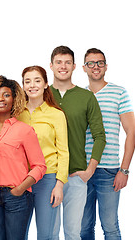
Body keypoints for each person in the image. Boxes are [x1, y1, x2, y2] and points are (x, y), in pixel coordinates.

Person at [0, 75, 47, 240]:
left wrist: (20, 189)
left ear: (14, 99)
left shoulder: (24, 130)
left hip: (17, 196)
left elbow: (40, 166)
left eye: (6, 95)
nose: (1, 99)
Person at [49, 46, 106, 240]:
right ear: (51, 66)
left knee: (73, 233)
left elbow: (100, 136)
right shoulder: (42, 94)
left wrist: (90, 170)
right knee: (50, 233)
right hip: (48, 176)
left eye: (67, 62)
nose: (63, 66)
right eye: (58, 62)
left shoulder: (86, 97)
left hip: (75, 175)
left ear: (74, 66)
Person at [80, 48, 135, 240]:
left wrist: (124, 170)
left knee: (110, 227)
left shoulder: (119, 92)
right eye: (91, 63)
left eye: (100, 62)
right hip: (82, 170)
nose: (96, 67)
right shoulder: (79, 95)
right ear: (84, 68)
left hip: (109, 171)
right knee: (83, 228)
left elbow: (131, 133)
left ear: (106, 66)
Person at [17, 66, 69, 240]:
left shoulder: (56, 114)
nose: (32, 85)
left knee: (45, 234)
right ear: (23, 86)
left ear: (46, 84)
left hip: (47, 179)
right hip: (21, 179)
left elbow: (63, 151)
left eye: (37, 80)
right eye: (27, 81)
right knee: (18, 234)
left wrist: (59, 184)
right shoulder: (16, 114)